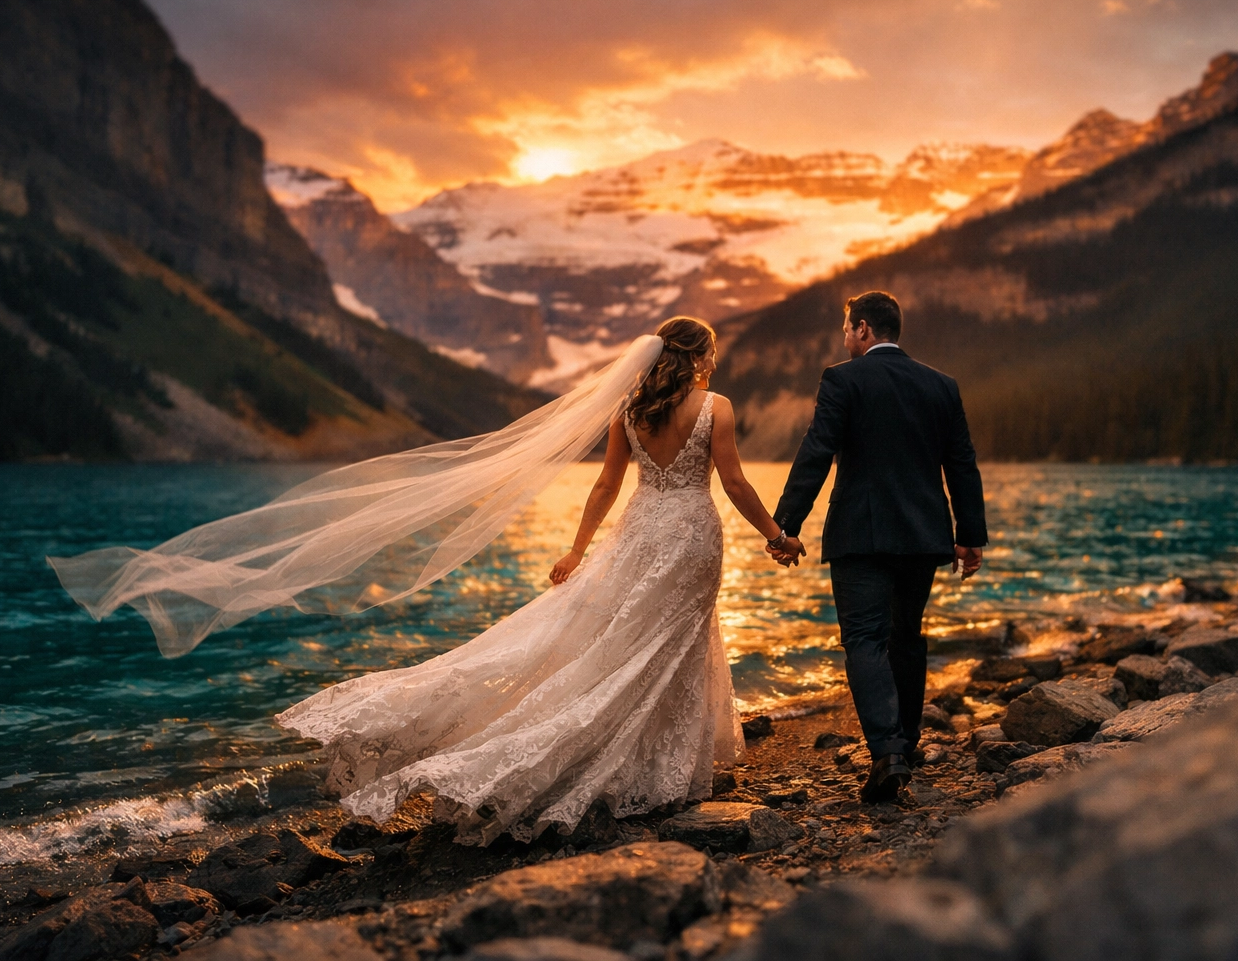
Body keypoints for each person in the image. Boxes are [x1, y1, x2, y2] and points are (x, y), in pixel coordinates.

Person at [271, 317, 790, 843]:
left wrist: (577, 549)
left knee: (623, 642)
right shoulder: (716, 407)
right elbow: (735, 483)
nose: (714, 362)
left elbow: (607, 486)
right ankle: (659, 768)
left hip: (640, 528)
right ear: (698, 357)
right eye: (713, 353)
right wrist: (777, 535)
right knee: (670, 645)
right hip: (692, 534)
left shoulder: (630, 412)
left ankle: (641, 762)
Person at [769, 291, 987, 803]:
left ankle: (887, 754)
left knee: (865, 639)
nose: (845, 338)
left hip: (860, 536)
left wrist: (786, 524)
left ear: (863, 329)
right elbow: (962, 463)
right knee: (906, 638)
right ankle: (905, 747)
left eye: (847, 329)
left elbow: (816, 452)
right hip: (923, 534)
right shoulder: (941, 385)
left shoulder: (843, 379)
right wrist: (969, 535)